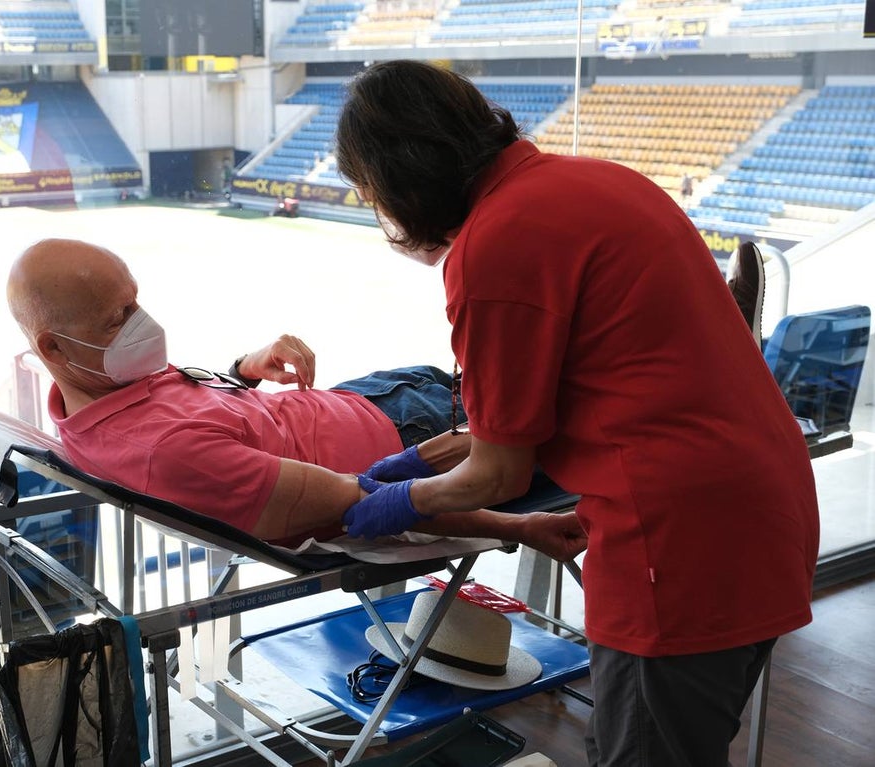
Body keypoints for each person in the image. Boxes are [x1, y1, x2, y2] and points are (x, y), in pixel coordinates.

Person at [333, 60, 818, 767]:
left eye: (368, 192)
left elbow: (497, 469)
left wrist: (394, 502)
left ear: (400, 177)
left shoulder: (496, 244)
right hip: (763, 514)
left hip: (681, 546)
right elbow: (585, 394)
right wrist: (427, 464)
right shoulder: (595, 181)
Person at [5, 237, 586, 556]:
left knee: (555, 369)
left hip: (373, 396)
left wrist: (242, 370)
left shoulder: (97, 387)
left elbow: (196, 413)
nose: (144, 324)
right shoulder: (164, 455)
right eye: (119, 316)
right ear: (54, 349)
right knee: (591, 404)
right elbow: (375, 499)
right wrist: (517, 528)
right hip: (416, 437)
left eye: (136, 302)